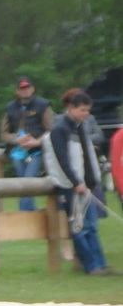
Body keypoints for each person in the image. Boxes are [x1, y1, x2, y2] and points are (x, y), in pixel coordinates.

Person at [44, 92, 112, 275]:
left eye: (88, 111)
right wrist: (75, 182)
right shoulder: (60, 130)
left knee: (92, 226)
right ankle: (91, 266)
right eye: (82, 110)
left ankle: (101, 264)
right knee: (79, 228)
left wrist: (91, 181)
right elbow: (62, 160)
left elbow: (86, 156)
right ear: (71, 108)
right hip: (72, 186)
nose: (85, 114)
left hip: (86, 184)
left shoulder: (80, 127)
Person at [1, 76, 52, 211]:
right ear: (17, 91)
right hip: (17, 152)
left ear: (33, 89)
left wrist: (37, 141)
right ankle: (31, 213)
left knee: (28, 181)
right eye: (22, 89)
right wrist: (16, 139)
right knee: (23, 183)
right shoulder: (10, 108)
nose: (25, 91)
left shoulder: (43, 105)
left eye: (28, 88)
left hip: (37, 150)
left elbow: (51, 129)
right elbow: (3, 133)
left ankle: (24, 214)